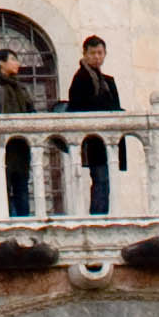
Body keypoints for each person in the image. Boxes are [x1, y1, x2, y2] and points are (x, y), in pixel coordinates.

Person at [66, 34, 121, 214]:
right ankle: (98, 215)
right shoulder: (81, 78)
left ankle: (102, 214)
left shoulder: (106, 80)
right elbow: (77, 107)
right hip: (93, 138)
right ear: (85, 54)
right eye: (93, 53)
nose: (97, 57)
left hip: (106, 138)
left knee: (105, 179)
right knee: (100, 178)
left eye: (100, 53)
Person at [0, 46, 38, 217]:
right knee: (2, 187)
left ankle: (24, 222)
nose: (17, 63)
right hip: (0, 146)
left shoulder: (21, 88)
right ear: (1, 63)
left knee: (22, 187)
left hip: (21, 146)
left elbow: (32, 112)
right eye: (13, 59)